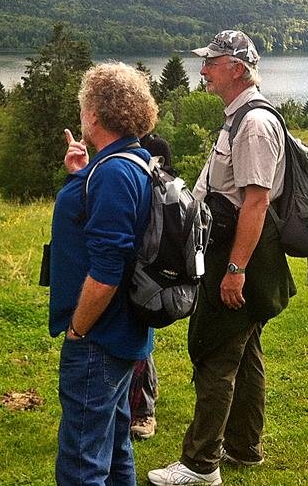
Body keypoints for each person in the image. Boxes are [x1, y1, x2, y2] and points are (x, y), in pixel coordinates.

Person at [148, 31, 296, 486]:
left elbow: (255, 202)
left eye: (211, 62)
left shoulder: (253, 124)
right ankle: (244, 447)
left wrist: (235, 271)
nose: (203, 70)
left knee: (216, 354)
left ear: (237, 67)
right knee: (245, 349)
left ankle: (200, 465)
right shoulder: (240, 117)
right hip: (239, 255)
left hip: (240, 258)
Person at [50, 62, 158, 486]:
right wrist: (81, 174)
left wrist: (78, 329)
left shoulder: (114, 173)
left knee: (82, 464)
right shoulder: (128, 162)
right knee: (114, 449)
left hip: (100, 337)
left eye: (84, 106)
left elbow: (108, 270)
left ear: (93, 114)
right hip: (123, 334)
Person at [128, 132, 174, 441]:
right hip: (123, 247)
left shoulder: (156, 146)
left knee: (139, 329)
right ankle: (130, 404)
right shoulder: (109, 143)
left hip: (148, 251)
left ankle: (144, 411)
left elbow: (167, 192)